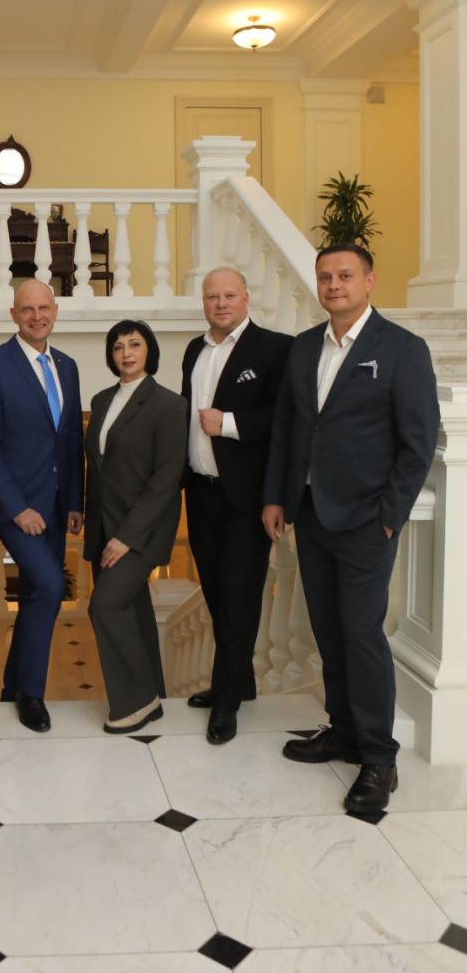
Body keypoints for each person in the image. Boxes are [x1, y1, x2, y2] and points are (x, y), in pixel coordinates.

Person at [263, 243, 439, 813]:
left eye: (344, 275)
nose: (333, 284)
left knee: (362, 636)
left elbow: (417, 444)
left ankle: (380, 759)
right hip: (311, 513)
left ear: (369, 281)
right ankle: (341, 730)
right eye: (325, 276)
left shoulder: (403, 349)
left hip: (366, 521)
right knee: (327, 629)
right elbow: (288, 429)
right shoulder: (304, 347)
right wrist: (277, 498)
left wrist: (389, 517)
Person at [0, 278, 84, 732]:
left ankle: (12, 688)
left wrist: (74, 500)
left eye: (44, 308)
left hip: (55, 504)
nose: (37, 316)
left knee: (39, 592)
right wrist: (17, 508)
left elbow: (70, 440)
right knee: (51, 587)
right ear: (13, 314)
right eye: (27, 309)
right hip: (14, 504)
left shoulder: (68, 366)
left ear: (55, 311)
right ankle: (31, 695)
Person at [181, 268, 293, 745]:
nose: (221, 303)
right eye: (212, 296)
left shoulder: (275, 348)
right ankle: (240, 681)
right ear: (203, 302)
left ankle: (226, 703)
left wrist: (226, 423)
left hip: (247, 499)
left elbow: (286, 418)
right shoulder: (194, 349)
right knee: (215, 594)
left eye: (229, 295)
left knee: (240, 598)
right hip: (200, 493)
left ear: (246, 298)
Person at [84, 320, 186, 734]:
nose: (126, 353)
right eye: (118, 346)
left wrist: (126, 537)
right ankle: (153, 695)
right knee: (132, 609)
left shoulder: (169, 404)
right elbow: (99, 468)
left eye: (135, 344)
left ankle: (135, 701)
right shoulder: (101, 400)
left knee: (104, 605)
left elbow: (167, 478)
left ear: (149, 351)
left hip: (140, 530)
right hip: (103, 526)